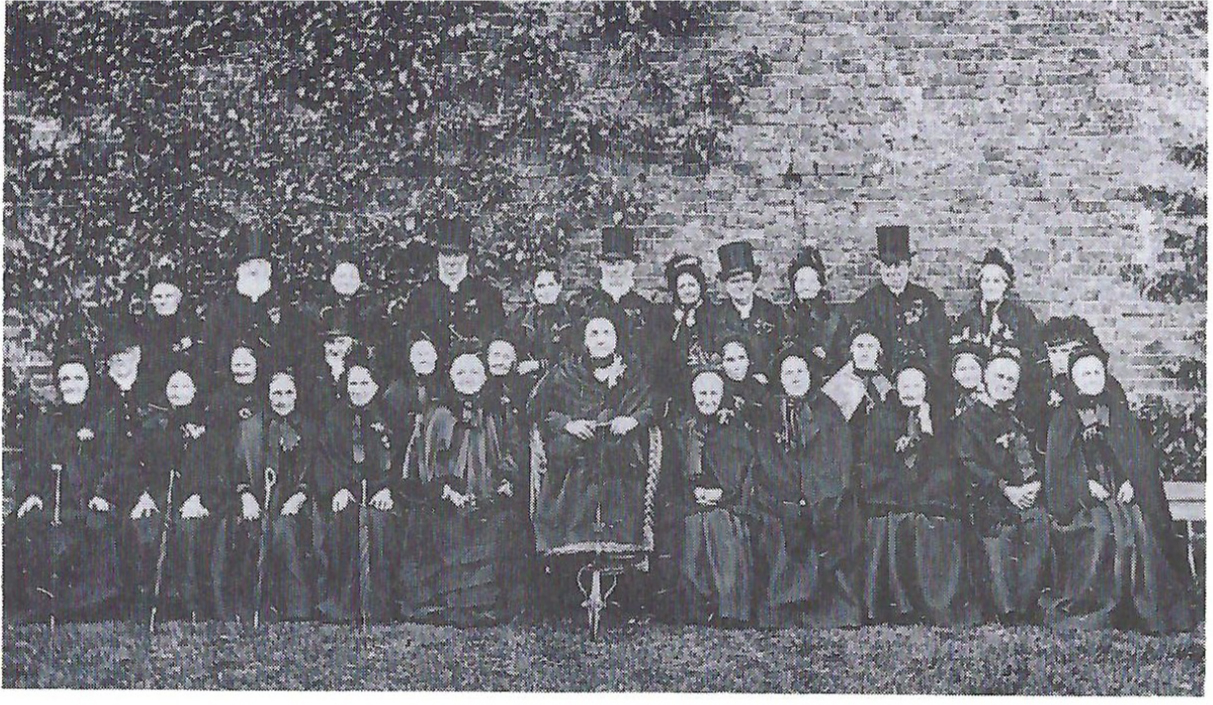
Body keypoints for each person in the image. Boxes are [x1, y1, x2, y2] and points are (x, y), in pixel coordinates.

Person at [1043, 346, 1195, 633]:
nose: (1091, 378)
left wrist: (1131, 482)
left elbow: (1139, 457)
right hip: (1084, 498)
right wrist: (1085, 486)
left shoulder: (1117, 409)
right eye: (1084, 373)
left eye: (1096, 372)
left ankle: (1143, 607)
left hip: (1120, 488)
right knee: (1102, 529)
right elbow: (1058, 468)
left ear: (1105, 375)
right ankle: (1101, 607)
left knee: (1138, 524)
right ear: (1073, 378)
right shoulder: (1063, 417)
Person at [531, 316, 656, 609]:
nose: (601, 339)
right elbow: (540, 409)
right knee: (575, 482)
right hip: (577, 457)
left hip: (620, 457)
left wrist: (633, 420)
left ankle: (623, 588)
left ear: (616, 338)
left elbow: (652, 406)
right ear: (585, 341)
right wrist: (567, 424)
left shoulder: (633, 373)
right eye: (594, 333)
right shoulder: (565, 373)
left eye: (607, 333)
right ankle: (569, 585)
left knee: (620, 479)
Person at [6, 344, 122, 622]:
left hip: (90, 498)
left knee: (96, 526)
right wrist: (33, 493)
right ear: (58, 383)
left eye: (78, 378)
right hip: (53, 496)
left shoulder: (103, 419)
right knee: (25, 524)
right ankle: (37, 602)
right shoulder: (46, 420)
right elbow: (33, 464)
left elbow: (113, 462)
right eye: (66, 379)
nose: (71, 385)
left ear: (89, 382)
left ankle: (86, 606)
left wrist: (102, 493)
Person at [859, 357, 978, 626]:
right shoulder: (881, 416)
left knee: (931, 523)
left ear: (926, 388)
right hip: (893, 494)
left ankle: (934, 603)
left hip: (930, 495)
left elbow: (948, 464)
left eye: (916, 384)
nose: (909, 390)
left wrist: (926, 430)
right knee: (892, 522)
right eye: (904, 385)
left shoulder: (941, 418)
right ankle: (896, 605)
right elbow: (872, 462)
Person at [414, 349, 527, 626]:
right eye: (461, 373)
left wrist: (504, 483)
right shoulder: (439, 414)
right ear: (451, 378)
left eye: (474, 372)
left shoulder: (498, 411)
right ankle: (450, 601)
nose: (468, 378)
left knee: (502, 524)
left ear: (485, 377)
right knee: (444, 526)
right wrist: (448, 492)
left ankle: (488, 602)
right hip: (448, 499)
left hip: (490, 497)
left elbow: (513, 450)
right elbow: (429, 461)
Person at [751, 348, 860, 627]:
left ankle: (827, 609)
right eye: (789, 372)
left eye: (801, 371)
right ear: (780, 378)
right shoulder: (770, 413)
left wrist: (816, 494)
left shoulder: (828, 410)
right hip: (781, 496)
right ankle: (786, 603)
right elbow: (766, 459)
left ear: (811, 375)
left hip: (824, 497)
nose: (795, 378)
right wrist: (789, 495)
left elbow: (839, 459)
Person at [954, 347, 1049, 623]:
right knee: (1001, 532)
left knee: (1039, 523)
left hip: (1027, 495)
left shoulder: (1022, 417)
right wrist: (1006, 489)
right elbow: (968, 462)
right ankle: (1005, 609)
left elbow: (1040, 455)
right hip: (989, 495)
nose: (1004, 384)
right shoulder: (969, 419)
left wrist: (1035, 485)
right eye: (999, 377)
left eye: (1010, 380)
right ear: (984, 377)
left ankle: (1026, 606)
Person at [127, 367, 223, 621]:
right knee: (147, 525)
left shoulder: (209, 427)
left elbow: (217, 469)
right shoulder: (154, 425)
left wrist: (199, 497)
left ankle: (190, 602)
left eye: (184, 386)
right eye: (173, 387)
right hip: (162, 494)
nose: (178, 392)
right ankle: (150, 601)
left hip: (198, 497)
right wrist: (144, 494)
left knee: (188, 528)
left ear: (194, 390)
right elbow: (140, 465)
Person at [315, 348, 400, 623]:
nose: (359, 389)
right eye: (353, 383)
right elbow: (326, 458)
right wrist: (338, 489)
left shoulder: (390, 415)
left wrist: (389, 490)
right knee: (342, 523)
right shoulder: (334, 417)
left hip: (382, 492)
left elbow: (400, 460)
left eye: (365, 383)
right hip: (345, 491)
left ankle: (380, 605)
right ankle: (344, 603)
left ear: (375, 385)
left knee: (381, 524)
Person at [668, 365, 756, 626]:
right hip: (690, 502)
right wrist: (694, 492)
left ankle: (729, 607)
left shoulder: (736, 429)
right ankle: (696, 607)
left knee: (720, 525)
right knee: (693, 526)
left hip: (729, 503)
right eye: (702, 393)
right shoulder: (684, 429)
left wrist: (722, 493)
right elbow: (674, 475)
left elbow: (745, 472)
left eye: (714, 393)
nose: (708, 399)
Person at [952, 248, 1046, 430]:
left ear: (1006, 285)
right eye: (986, 280)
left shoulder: (1021, 316)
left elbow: (1034, 356)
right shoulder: (968, 316)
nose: (990, 286)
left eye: (996, 281)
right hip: (975, 394)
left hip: (1009, 393)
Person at [203, 221, 308, 379]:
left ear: (268, 269)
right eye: (248, 264)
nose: (253, 269)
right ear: (238, 269)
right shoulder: (221, 306)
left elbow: (294, 347)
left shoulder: (283, 304)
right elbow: (210, 348)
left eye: (259, 263)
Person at [849, 225, 949, 390]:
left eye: (898, 265)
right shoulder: (866, 303)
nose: (893, 271)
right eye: (887, 266)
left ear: (908, 265)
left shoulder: (928, 301)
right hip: (881, 383)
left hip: (921, 382)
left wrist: (926, 376)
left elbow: (939, 345)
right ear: (879, 267)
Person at [399, 216, 506, 364]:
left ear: (467, 257)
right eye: (446, 255)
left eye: (457, 254)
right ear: (438, 257)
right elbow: (411, 337)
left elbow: (496, 337)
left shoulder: (486, 293)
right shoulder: (421, 295)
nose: (451, 262)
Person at [646, 254, 714, 419]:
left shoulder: (713, 314)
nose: (688, 290)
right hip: (675, 392)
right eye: (682, 286)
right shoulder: (664, 317)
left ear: (700, 286)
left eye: (692, 284)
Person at [569, 224, 653, 354]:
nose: (614, 269)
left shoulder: (644, 308)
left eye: (620, 264)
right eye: (610, 263)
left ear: (631, 266)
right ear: (602, 266)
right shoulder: (587, 306)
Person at [507, 259, 577, 400]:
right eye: (540, 286)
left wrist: (539, 365)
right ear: (533, 290)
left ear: (559, 286)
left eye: (551, 285)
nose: (546, 291)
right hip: (528, 384)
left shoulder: (572, 317)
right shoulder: (522, 318)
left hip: (562, 383)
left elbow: (573, 356)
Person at [712, 240, 781, 382]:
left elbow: (781, 351)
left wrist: (766, 374)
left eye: (745, 279)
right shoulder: (715, 316)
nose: (741, 286)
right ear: (725, 285)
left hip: (767, 384)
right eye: (735, 281)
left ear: (754, 281)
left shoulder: (771, 312)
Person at [781, 245, 848, 379]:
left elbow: (844, 357)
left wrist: (826, 358)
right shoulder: (783, 317)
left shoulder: (834, 319)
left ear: (820, 284)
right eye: (801, 281)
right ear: (793, 285)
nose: (806, 286)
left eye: (812, 281)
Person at [141, 254, 205, 394]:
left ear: (178, 297)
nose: (163, 301)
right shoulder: (143, 324)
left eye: (168, 296)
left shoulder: (191, 323)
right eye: (158, 297)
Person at [719, 336, 770, 433]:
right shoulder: (718, 391)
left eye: (741, 358)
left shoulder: (759, 388)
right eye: (730, 360)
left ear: (749, 361)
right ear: (722, 364)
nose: (737, 366)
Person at [948, 329, 987, 420]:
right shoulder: (952, 400)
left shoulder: (989, 399)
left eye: (973, 368)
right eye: (962, 369)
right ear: (954, 373)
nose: (968, 374)